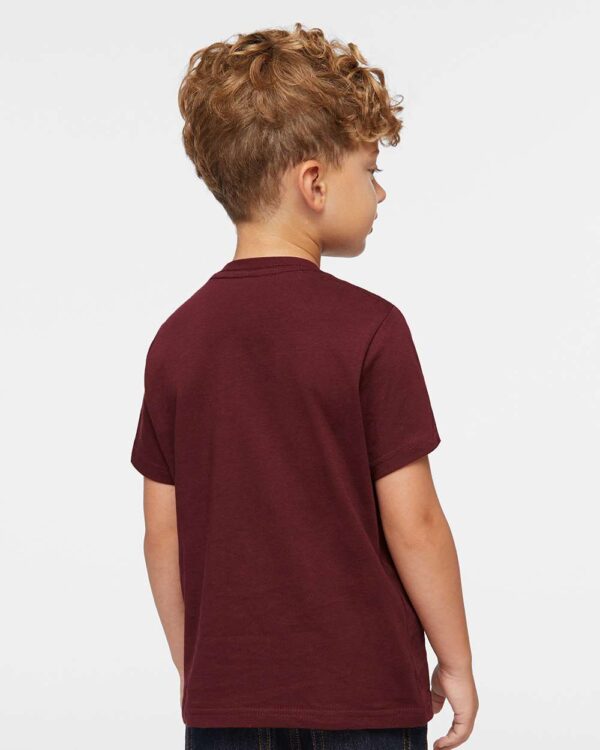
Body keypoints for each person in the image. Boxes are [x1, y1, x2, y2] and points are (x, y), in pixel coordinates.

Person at [130, 22, 478, 750]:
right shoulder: (371, 329)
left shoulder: (175, 341)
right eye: (370, 170)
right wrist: (455, 659)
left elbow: (163, 534)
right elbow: (415, 523)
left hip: (226, 706)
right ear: (314, 183)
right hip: (366, 701)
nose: (380, 192)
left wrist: (199, 675)